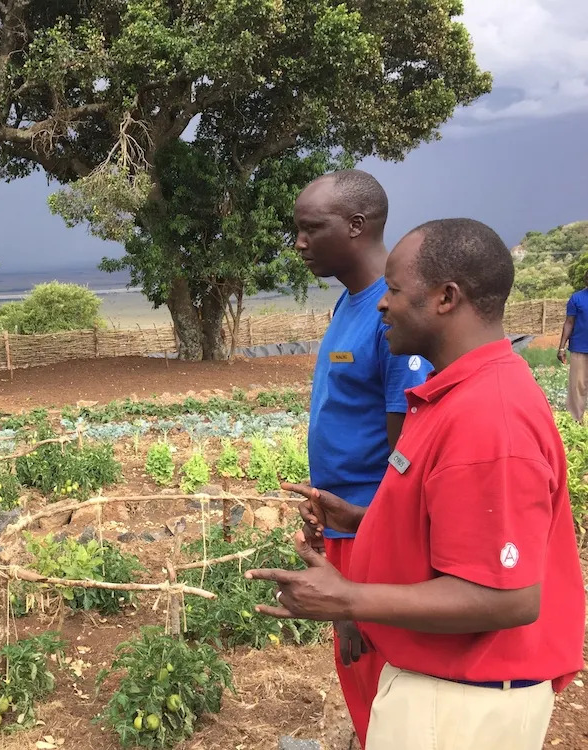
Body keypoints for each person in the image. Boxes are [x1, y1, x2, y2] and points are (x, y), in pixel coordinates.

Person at [247, 218, 586, 750]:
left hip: (462, 705)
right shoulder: (455, 394)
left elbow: (507, 598)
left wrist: (349, 598)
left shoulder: (488, 419)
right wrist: (363, 520)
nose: (382, 304)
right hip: (447, 688)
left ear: (446, 298)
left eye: (396, 291)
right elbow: (450, 523)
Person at [294, 169, 432, 747]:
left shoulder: (392, 319)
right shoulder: (348, 305)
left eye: (309, 229)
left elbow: (407, 458)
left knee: (378, 669)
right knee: (358, 679)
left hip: (373, 531)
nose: (298, 243)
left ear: (355, 226)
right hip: (343, 523)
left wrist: (358, 583)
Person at [558, 269, 588, 421]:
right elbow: (569, 323)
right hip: (580, 349)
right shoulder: (576, 299)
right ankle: (577, 420)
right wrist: (562, 347)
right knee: (578, 386)